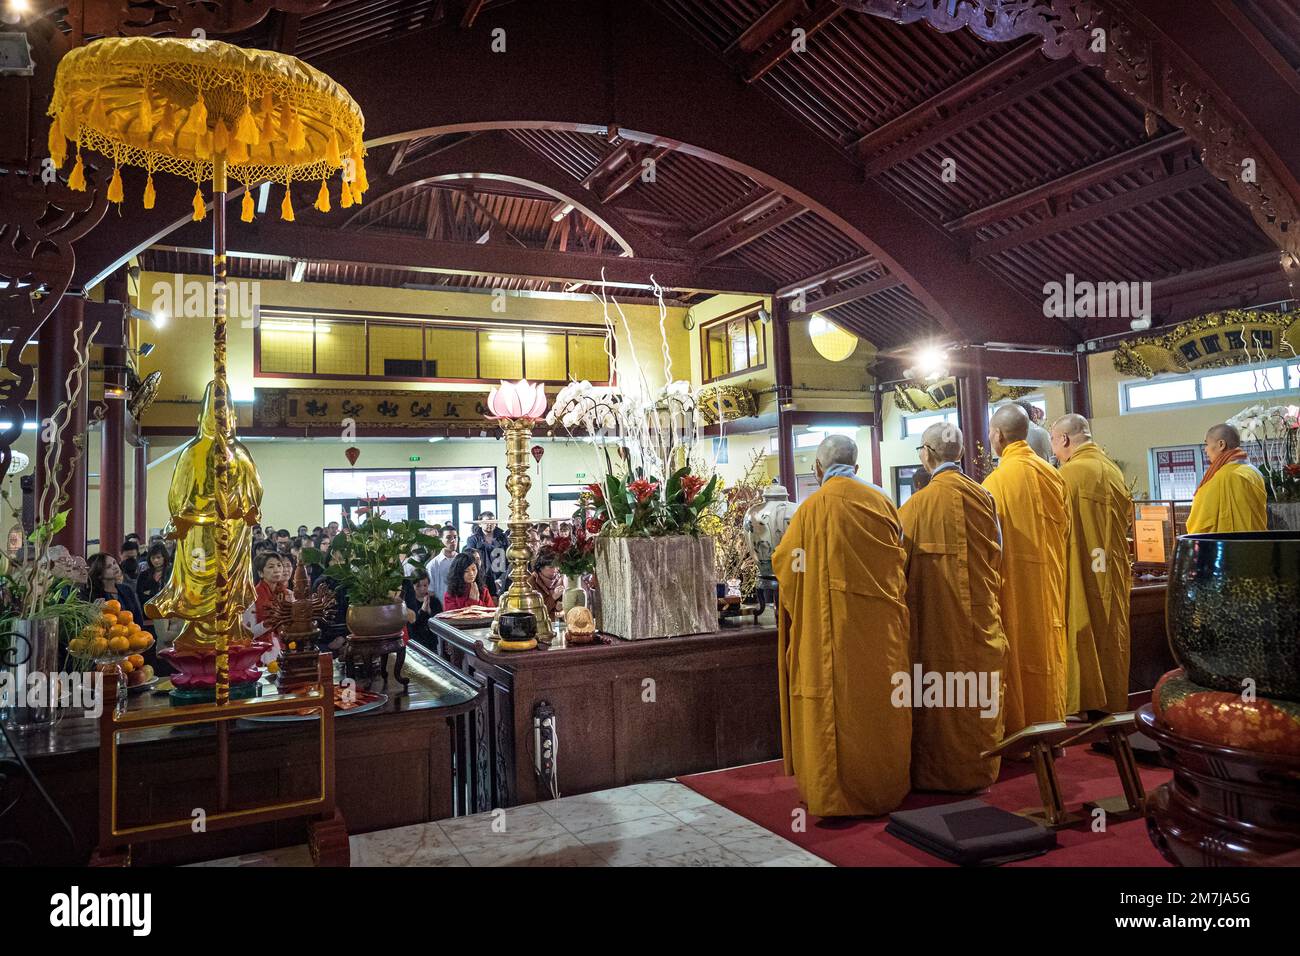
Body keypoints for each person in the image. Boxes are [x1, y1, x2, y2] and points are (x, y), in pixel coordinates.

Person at [772, 434, 911, 817]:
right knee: (880, 708)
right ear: (858, 467)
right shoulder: (883, 501)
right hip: (882, 635)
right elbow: (902, 559)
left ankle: (836, 798)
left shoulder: (811, 509)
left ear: (818, 469)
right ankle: (885, 786)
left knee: (835, 710)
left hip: (829, 634)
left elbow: (787, 565)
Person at [898, 423, 1008, 792]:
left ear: (927, 454)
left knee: (940, 697)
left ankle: (938, 774)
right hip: (981, 618)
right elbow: (998, 554)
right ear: (960, 454)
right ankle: (980, 769)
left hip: (935, 624)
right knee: (978, 694)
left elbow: (899, 569)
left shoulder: (914, 507)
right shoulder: (985, 498)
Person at [983, 404, 1069, 734]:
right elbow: (1065, 530)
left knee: (1017, 654)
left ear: (998, 435)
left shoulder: (994, 483)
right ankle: (1050, 721)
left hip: (1012, 585)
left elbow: (988, 543)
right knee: (1049, 651)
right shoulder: (1053, 475)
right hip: (1050, 582)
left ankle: (1020, 728)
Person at [1050, 414, 1133, 716]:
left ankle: (1083, 702)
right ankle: (1112, 699)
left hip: (1082, 565)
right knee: (1111, 632)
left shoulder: (1069, 474)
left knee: (1081, 628)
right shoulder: (1112, 470)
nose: (1055, 450)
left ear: (1065, 440)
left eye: (1054, 442)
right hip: (1110, 567)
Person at [1186, 423, 1267, 534]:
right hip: (1257, 541)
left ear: (1221, 444)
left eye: (1207, 444)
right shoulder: (1253, 471)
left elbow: (1200, 521)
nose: (1206, 449)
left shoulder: (1224, 476)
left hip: (1230, 546)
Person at [85, 553, 151, 636]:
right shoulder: (91, 594)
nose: (115, 567)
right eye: (109, 567)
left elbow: (138, 619)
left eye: (114, 562)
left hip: (132, 637)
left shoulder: (126, 589)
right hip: (106, 641)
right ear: (99, 574)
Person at [243, 551, 292, 662]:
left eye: (279, 565)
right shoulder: (252, 597)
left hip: (286, 648)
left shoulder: (288, 594)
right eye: (271, 566)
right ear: (261, 573)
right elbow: (248, 635)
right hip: (263, 653)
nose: (276, 569)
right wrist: (268, 623)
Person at [466, 511, 509, 597]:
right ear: (480, 524)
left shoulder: (503, 538)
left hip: (501, 578)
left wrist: (501, 579)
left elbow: (509, 559)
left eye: (492, 522)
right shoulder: (473, 540)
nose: (489, 524)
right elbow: (470, 561)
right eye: (486, 522)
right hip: (481, 578)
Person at [526, 547, 564, 617]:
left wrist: (561, 608)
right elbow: (534, 612)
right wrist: (553, 598)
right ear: (540, 567)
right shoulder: (531, 582)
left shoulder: (561, 579)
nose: (555, 570)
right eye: (551, 567)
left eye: (557, 566)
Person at [426, 525, 459, 604]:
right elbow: (430, 591)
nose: (453, 540)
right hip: (442, 608)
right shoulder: (432, 565)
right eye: (448, 537)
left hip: (462, 608)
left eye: (455, 537)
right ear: (440, 540)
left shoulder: (463, 561)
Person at [135, 543, 171, 614]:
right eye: (153, 558)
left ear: (164, 557)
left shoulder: (171, 573)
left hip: (168, 611)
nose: (156, 560)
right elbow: (140, 594)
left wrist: (150, 592)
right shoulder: (144, 575)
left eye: (158, 557)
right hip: (148, 612)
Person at [402, 568, 439, 636]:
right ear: (412, 586)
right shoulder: (409, 603)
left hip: (432, 641)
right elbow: (412, 626)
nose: (422, 589)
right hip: (416, 641)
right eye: (418, 586)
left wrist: (430, 613)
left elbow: (439, 624)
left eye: (425, 585)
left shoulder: (434, 601)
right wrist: (422, 611)